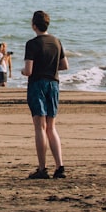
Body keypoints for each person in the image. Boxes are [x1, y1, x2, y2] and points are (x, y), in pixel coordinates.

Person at [21, 10, 69, 180]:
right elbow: (64, 65)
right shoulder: (57, 42)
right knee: (51, 127)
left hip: (37, 85)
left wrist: (22, 71)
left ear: (34, 25)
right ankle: (59, 166)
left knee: (40, 127)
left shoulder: (32, 44)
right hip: (53, 84)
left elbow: (28, 70)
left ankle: (42, 168)